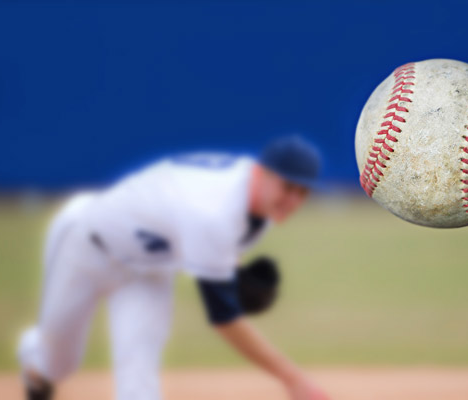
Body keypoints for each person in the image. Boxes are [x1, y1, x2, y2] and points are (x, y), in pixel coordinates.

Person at [17, 136, 331, 400]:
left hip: (149, 273)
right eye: (287, 186)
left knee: (140, 387)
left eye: (302, 192)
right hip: (88, 245)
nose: (293, 199)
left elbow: (213, 244)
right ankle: (35, 352)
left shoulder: (259, 208)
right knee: (58, 364)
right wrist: (293, 379)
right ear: (263, 173)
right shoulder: (216, 209)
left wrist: (233, 273)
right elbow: (224, 318)